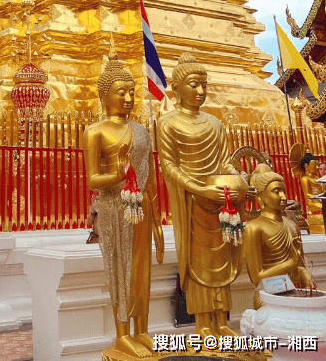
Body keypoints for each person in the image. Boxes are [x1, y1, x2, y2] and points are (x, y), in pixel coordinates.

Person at [157, 52, 250, 339]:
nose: (201, 91)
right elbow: (169, 167)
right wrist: (199, 188)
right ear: (177, 90)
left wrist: (237, 178)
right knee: (198, 267)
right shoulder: (168, 123)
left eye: (205, 85)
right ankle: (202, 326)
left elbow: (224, 162)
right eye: (194, 85)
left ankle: (222, 322)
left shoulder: (215, 124)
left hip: (220, 203)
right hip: (191, 203)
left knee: (222, 262)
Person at [83, 44, 163, 359]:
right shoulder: (95, 133)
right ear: (104, 95)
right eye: (121, 92)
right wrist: (117, 173)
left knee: (141, 270)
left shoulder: (142, 131)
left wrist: (157, 221)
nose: (128, 98)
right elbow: (92, 180)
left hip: (141, 207)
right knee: (120, 269)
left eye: (131, 92)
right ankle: (122, 333)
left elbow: (150, 177)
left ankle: (141, 329)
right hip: (114, 208)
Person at [243, 163, 314, 309]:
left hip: (297, 290)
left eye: (284, 191)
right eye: (276, 191)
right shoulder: (254, 228)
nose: (283, 197)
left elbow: (300, 267)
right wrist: (290, 263)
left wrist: (308, 279)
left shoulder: (292, 225)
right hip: (269, 295)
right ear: (261, 196)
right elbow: (257, 278)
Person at [298, 152, 324, 233]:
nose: (317, 167)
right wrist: (318, 198)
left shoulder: (318, 178)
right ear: (306, 166)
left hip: (321, 200)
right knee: (323, 206)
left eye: (317, 165)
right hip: (313, 202)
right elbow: (307, 194)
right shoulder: (305, 178)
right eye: (314, 165)